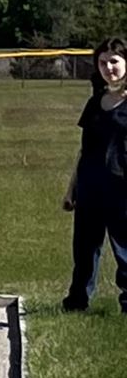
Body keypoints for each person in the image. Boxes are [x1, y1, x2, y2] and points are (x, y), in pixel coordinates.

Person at [63, 36, 127, 313]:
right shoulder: (95, 103)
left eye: (114, 61)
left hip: (121, 187)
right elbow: (84, 150)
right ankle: (77, 302)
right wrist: (70, 189)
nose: (108, 68)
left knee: (125, 249)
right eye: (102, 63)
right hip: (90, 186)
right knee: (85, 250)